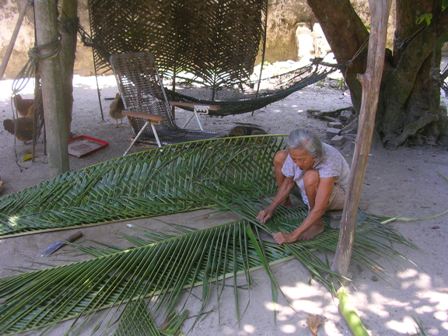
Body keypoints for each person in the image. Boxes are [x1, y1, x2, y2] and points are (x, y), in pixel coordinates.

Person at [256, 128, 350, 244]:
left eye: (301, 160)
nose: (297, 163)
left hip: (342, 196)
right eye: (294, 159)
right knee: (280, 156)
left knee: (310, 177)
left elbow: (320, 207)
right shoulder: (298, 152)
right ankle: (286, 202)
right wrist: (271, 208)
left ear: (315, 156)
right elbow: (288, 183)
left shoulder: (329, 160)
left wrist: (293, 235)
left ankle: (317, 223)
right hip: (309, 188)